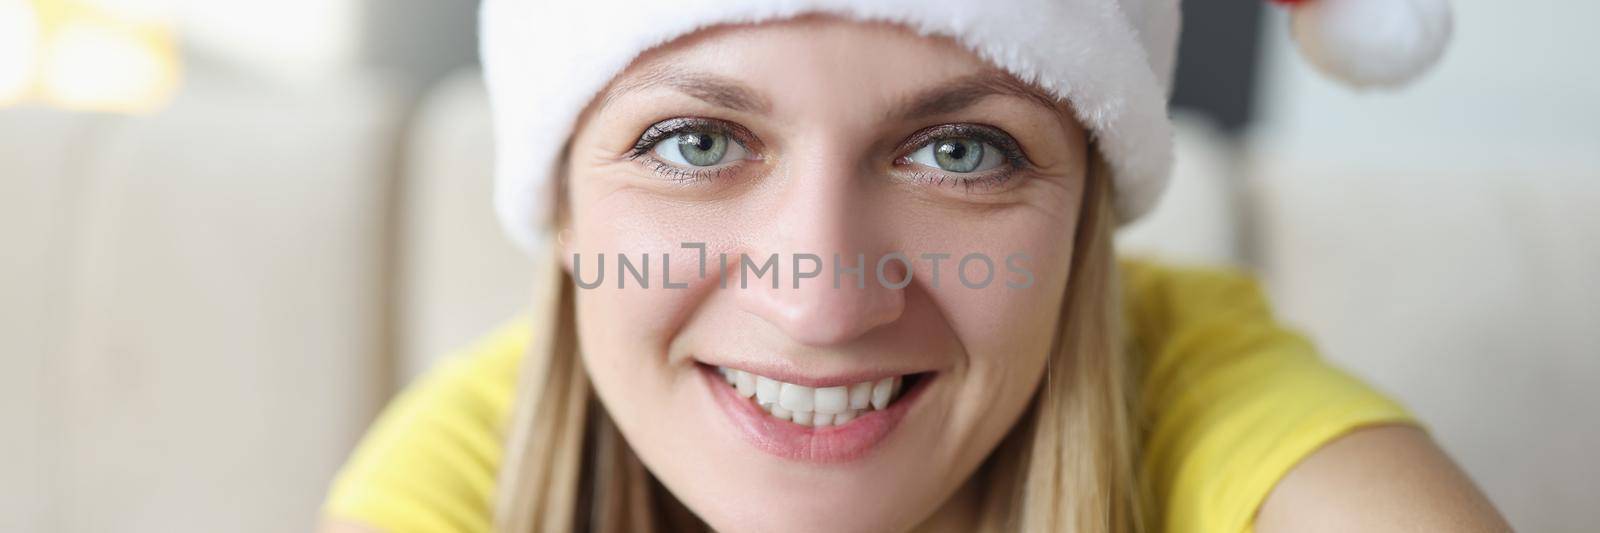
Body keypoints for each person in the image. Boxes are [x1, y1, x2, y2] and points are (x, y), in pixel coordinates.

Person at [322, 1, 1509, 531]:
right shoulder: (464, 473)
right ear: (566, 207)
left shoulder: (1200, 392)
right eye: (696, 142)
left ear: (1085, 213)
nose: (822, 302)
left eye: (958, 149)